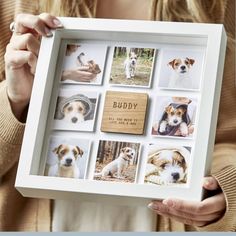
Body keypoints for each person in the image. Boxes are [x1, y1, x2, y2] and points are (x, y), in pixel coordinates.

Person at [0, 0, 235, 231]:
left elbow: (226, 135)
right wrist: (15, 99)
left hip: (161, 218)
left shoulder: (216, 6)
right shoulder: (18, 6)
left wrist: (224, 190)